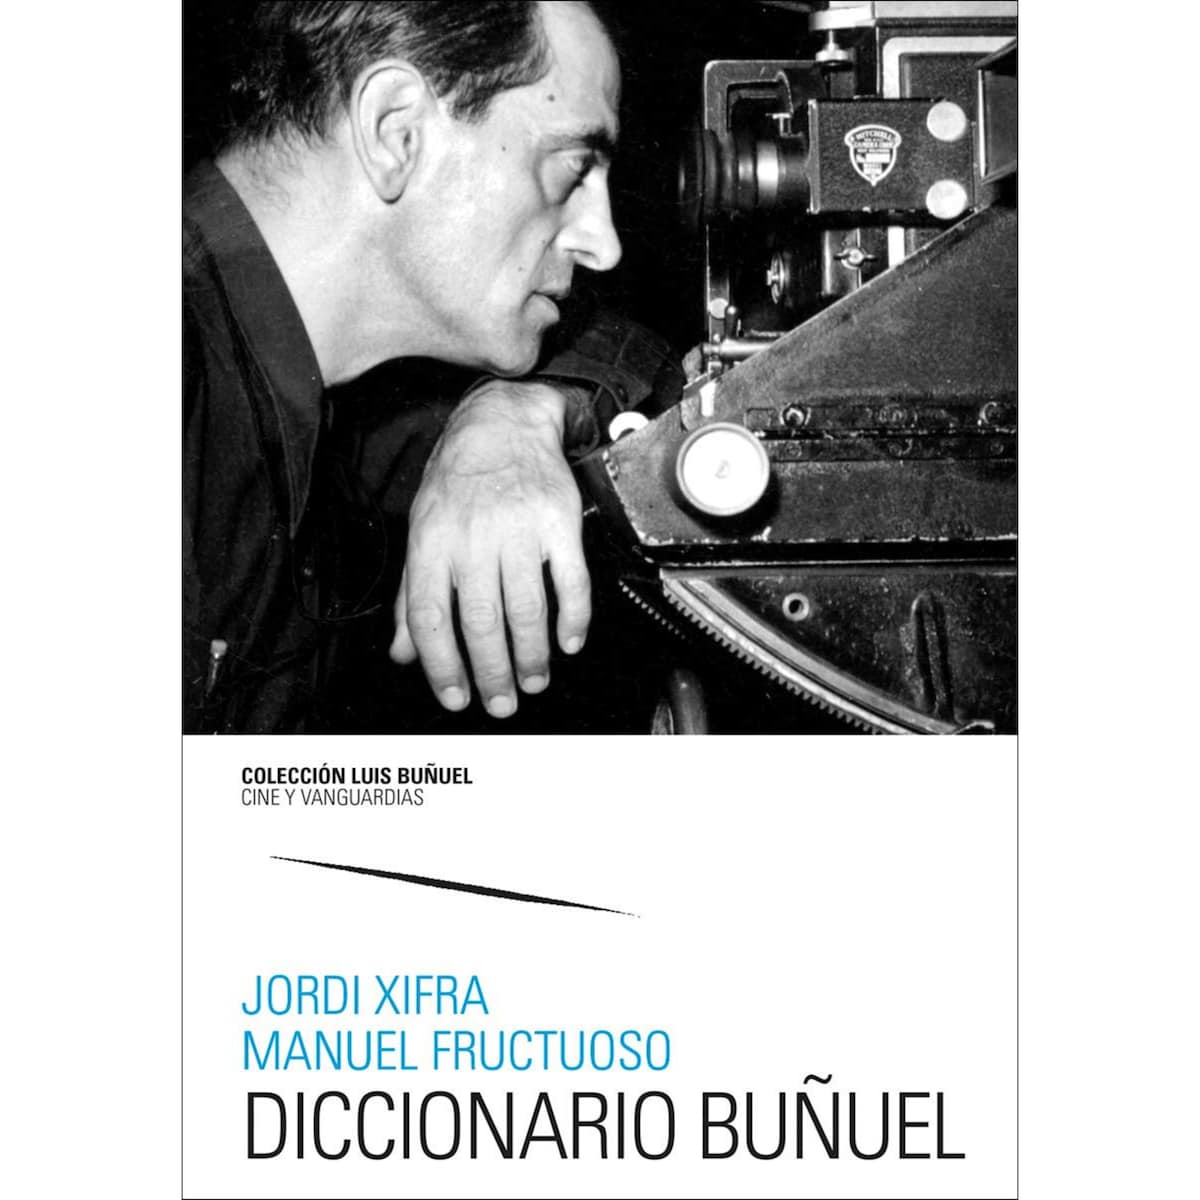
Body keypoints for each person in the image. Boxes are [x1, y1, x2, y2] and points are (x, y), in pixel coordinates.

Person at [184, 0, 682, 732]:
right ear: (397, 132)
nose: (602, 246)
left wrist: (516, 415)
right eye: (573, 169)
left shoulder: (329, 391)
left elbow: (648, 364)